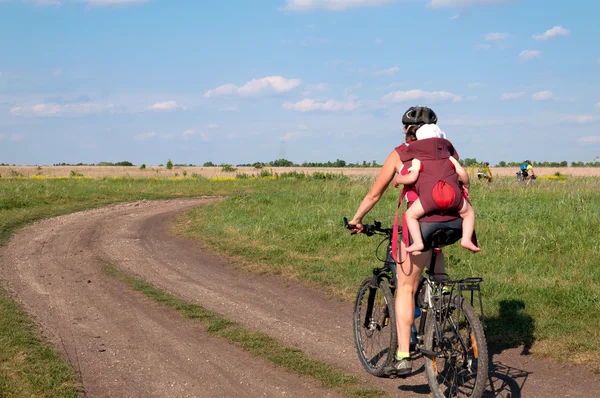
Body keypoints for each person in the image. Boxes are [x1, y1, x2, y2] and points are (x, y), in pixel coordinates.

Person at [348, 106, 465, 375]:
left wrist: (356, 220)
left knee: (406, 289)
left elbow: (374, 195)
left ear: (406, 129)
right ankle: (441, 296)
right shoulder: (447, 150)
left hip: (418, 228)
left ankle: (403, 355)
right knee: (435, 261)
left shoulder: (401, 153)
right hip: (453, 224)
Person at [393, 125, 480, 254]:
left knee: (411, 215)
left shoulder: (418, 160)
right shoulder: (449, 158)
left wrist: (398, 180)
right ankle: (467, 239)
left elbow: (412, 178)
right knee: (469, 213)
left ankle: (417, 242)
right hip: (453, 196)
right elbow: (462, 173)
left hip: (430, 198)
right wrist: (466, 186)